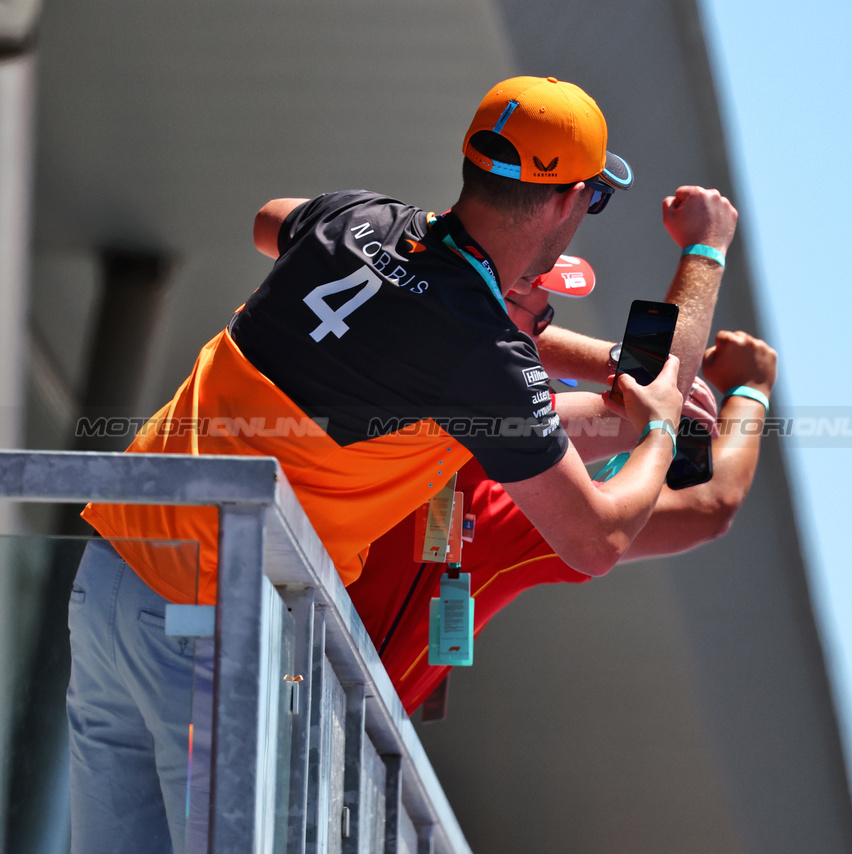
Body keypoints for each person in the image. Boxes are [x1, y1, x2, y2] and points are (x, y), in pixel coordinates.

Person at [65, 75, 735, 854]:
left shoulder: (358, 219)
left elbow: (270, 221)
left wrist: (608, 371)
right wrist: (664, 400)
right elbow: (596, 540)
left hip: (109, 577)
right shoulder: (479, 359)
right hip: (209, 620)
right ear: (569, 201)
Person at [348, 264, 778, 715]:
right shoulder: (405, 400)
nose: (536, 334)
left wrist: (747, 393)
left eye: (546, 316)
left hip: (339, 743)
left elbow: (706, 506)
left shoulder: (507, 506)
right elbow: (638, 411)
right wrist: (705, 252)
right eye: (522, 301)